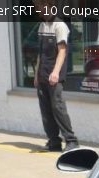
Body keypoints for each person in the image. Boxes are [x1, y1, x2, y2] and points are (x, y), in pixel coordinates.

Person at [33, 0, 79, 152]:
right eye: (37, 7)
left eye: (40, 6)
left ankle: (71, 141)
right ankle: (54, 141)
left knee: (57, 107)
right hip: (42, 75)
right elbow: (40, 53)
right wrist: (37, 74)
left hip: (54, 76)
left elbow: (62, 51)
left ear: (49, 6)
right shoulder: (42, 26)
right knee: (45, 110)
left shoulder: (60, 26)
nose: (38, 9)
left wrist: (55, 72)